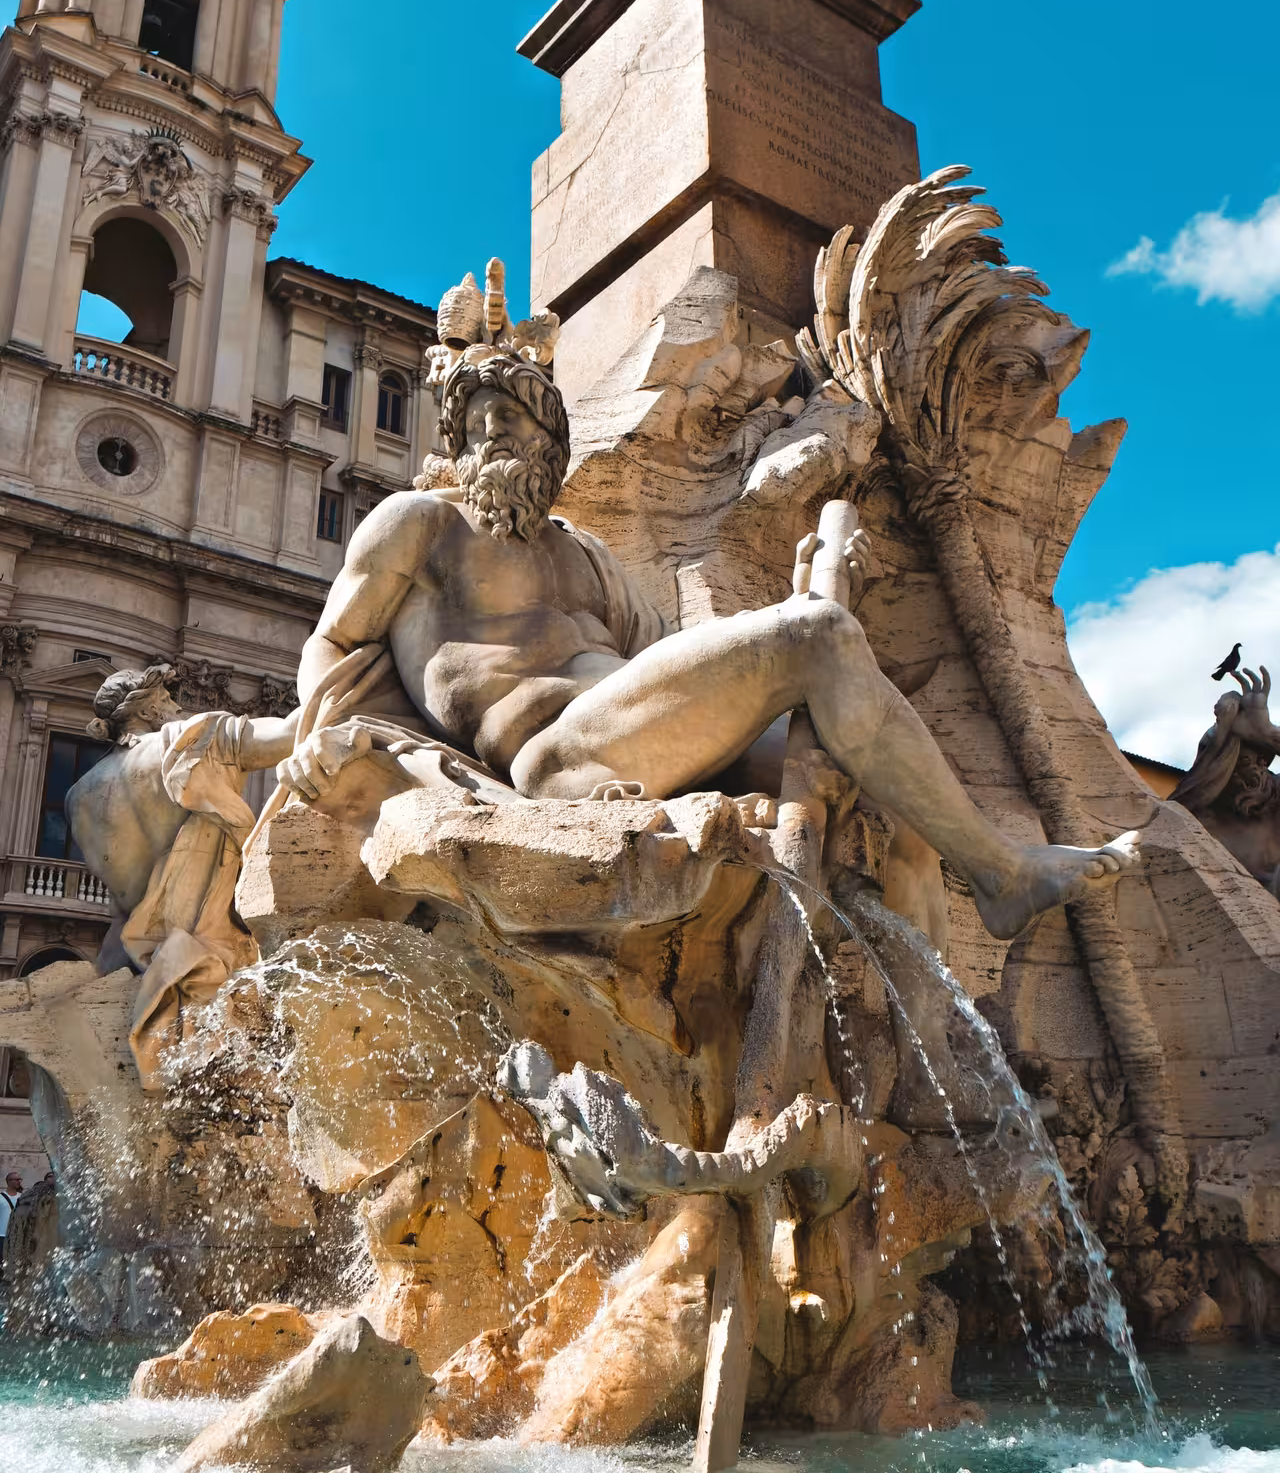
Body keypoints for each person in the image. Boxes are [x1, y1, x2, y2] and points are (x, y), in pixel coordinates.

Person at [277, 350, 1140, 942]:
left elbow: (677, 665)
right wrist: (317, 734)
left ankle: (925, 1068)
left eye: (512, 417)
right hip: (551, 756)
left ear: (552, 442)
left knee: (893, 801)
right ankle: (1002, 873)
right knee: (815, 633)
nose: (491, 433)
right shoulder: (420, 523)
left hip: (645, 731)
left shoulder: (584, 554)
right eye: (475, 421)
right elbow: (335, 641)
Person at [66, 666, 298, 1085]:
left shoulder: (77, 794)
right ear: (152, 706)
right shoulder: (190, 742)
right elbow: (290, 734)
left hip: (116, 970)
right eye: (170, 699)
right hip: (196, 966)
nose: (178, 707)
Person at [0, 1171, 23, 1274]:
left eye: (20, 1179)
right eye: (16, 1179)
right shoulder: (0, 1197)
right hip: (2, 1235)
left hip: (17, 1235)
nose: (19, 1181)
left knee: (15, 1263)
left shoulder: (23, 1197)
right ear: (9, 1181)